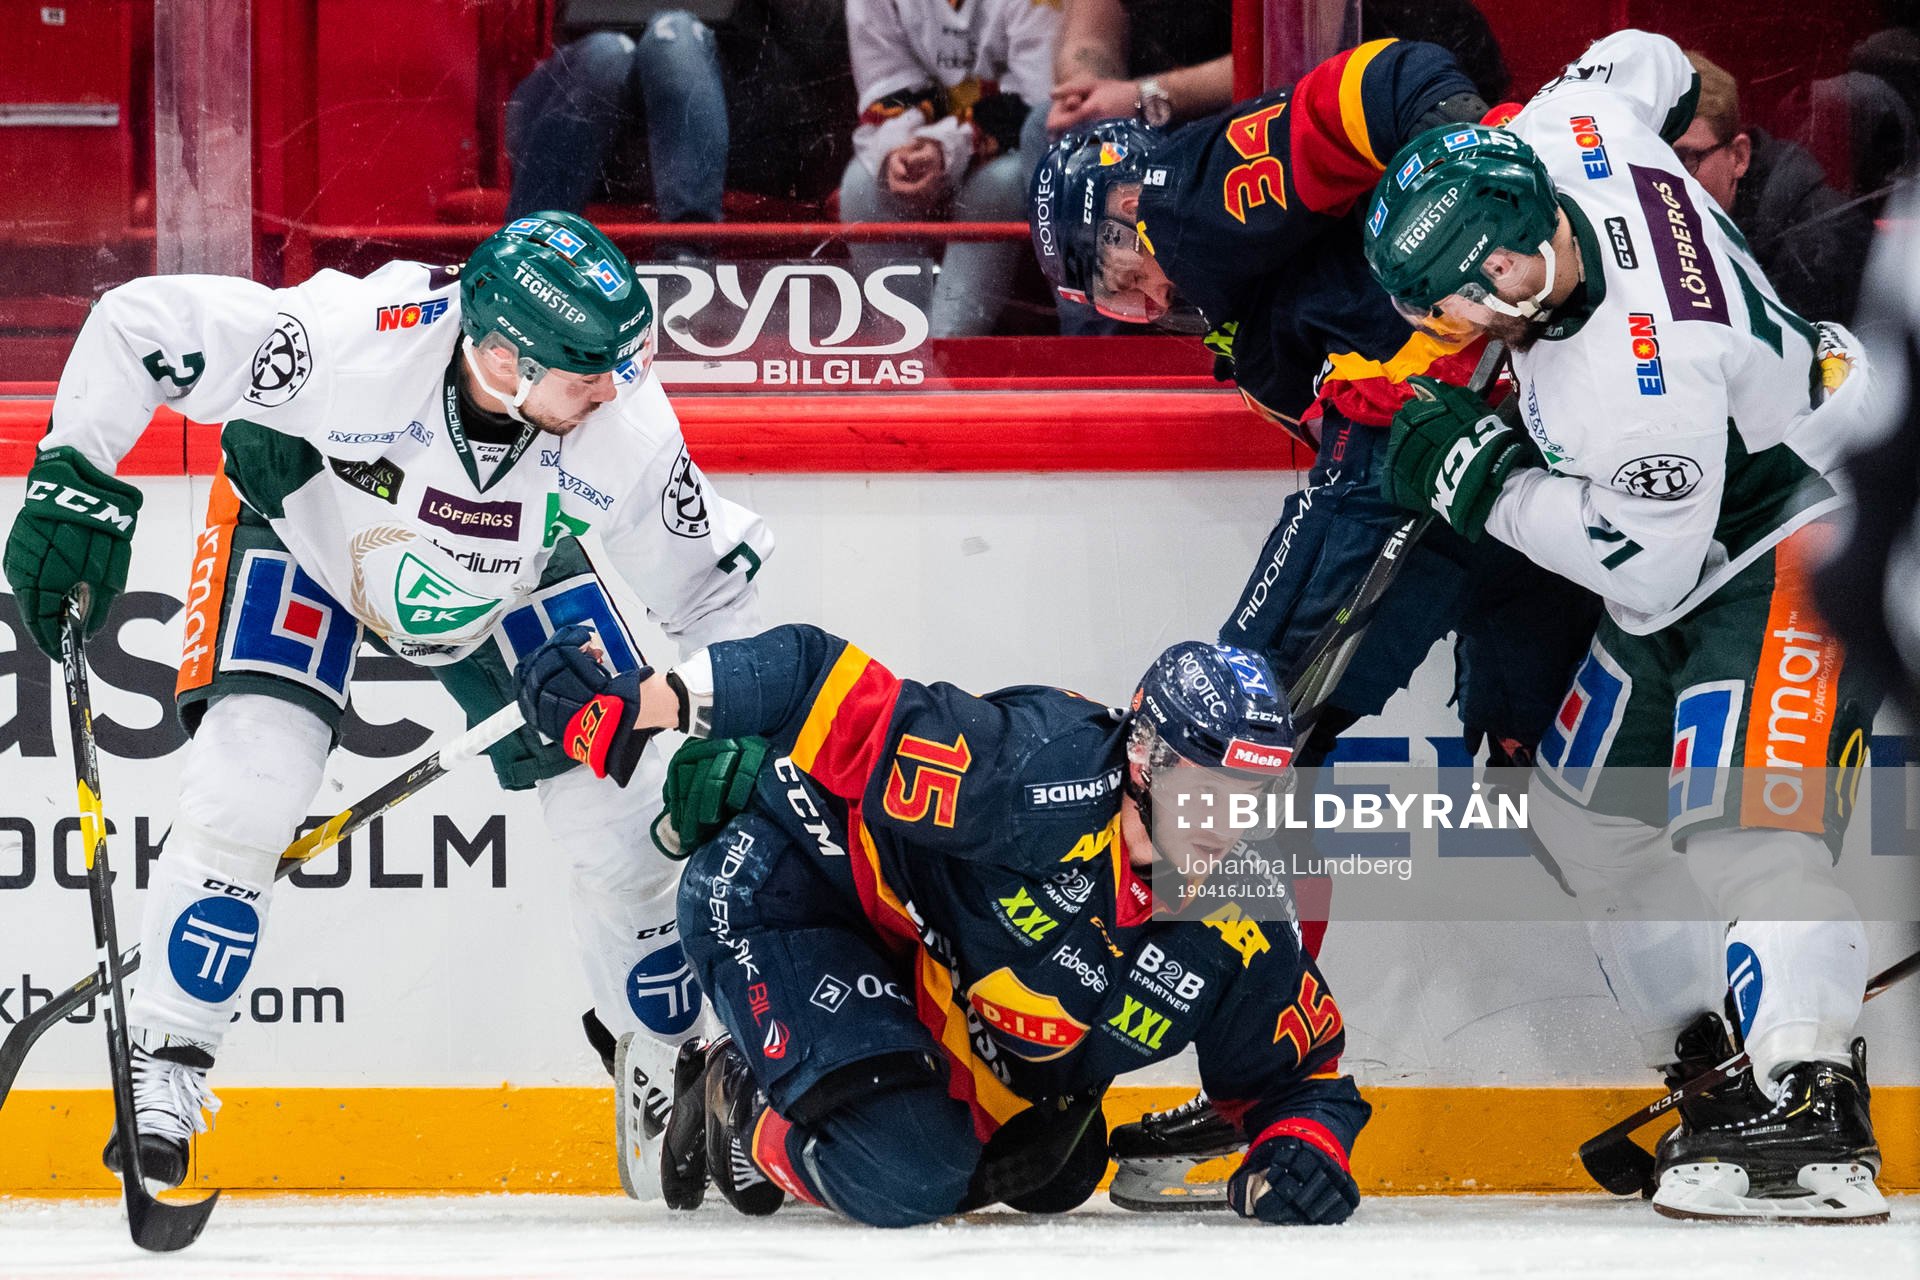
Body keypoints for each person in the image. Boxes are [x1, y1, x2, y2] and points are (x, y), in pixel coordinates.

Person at [1, 211, 773, 1189]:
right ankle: (165, 1061)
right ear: (504, 360)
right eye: (590, 371)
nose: (618, 387)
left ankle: (663, 1059)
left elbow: (712, 592)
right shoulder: (353, 340)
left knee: (625, 818)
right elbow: (138, 326)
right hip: (309, 534)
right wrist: (76, 474)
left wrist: (717, 712)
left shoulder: (625, 429)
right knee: (250, 781)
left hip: (513, 578)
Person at [1363, 30, 1887, 1222]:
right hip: (1715, 521)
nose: (1446, 321)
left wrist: (1476, 477)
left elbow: (1644, 571)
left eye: (1454, 293)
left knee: (1745, 820)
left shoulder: (1635, 384)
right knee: (1587, 812)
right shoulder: (1564, 137)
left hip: (1803, 531)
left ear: (1508, 260)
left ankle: (1810, 1114)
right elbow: (1644, 56)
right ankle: (1717, 1071)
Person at [514, 626, 1372, 1226]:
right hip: (799, 897)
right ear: (1145, 758)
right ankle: (734, 1093)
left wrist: (1301, 1151)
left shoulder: (1244, 909)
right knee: (906, 1173)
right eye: (1209, 787)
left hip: (935, 983)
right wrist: (645, 701)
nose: (1232, 820)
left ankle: (834, 1087)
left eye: (1255, 796)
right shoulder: (1034, 772)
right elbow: (820, 676)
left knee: (1056, 1171)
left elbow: (1298, 1078)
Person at [506, 1, 853, 238]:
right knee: (607, 52)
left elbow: (824, 48)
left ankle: (687, 257)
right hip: (600, 140)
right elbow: (570, 31)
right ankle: (524, 252)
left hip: (724, 136)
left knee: (674, 36)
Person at [839, 0, 1059, 336]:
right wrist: (906, 149)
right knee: (861, 184)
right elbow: (884, 85)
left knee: (998, 185)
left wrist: (946, 146)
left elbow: (1037, 101)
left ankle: (949, 344)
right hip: (928, 137)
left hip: (1005, 147)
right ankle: (903, 348)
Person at [1677, 52, 1874, 326]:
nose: (1660, 180)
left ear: (1739, 157)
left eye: (1683, 160)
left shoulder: (1818, 248)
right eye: (1644, 159)